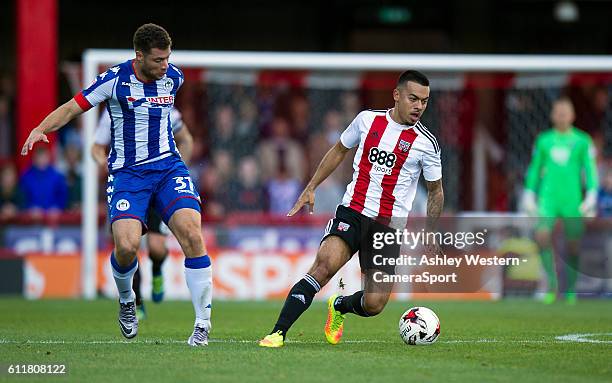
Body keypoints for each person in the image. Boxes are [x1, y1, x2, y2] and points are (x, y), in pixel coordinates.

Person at [21, 24, 212, 346]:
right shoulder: (114, 80)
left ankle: (202, 324)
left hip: (168, 168)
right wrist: (41, 128)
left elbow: (176, 125)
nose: (165, 65)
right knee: (125, 247)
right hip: (128, 175)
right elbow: (72, 106)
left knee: (193, 234)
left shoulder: (173, 78)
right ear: (138, 56)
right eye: (157, 60)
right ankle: (127, 301)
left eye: (167, 58)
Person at [259, 70, 444, 348]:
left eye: (425, 101)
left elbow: (435, 191)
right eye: (413, 98)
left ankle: (340, 306)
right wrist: (311, 187)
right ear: (397, 95)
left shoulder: (426, 144)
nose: (419, 106)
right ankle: (277, 333)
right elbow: (338, 151)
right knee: (323, 267)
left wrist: (431, 232)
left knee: (374, 303)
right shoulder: (367, 120)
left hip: (387, 227)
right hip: (352, 212)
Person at [92, 107, 194, 320]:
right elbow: (97, 147)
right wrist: (105, 164)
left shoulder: (163, 105)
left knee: (156, 248)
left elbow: (186, 139)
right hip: (127, 185)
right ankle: (136, 302)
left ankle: (157, 268)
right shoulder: (113, 108)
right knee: (128, 246)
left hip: (157, 184)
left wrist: (176, 171)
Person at [521, 97, 598, 305]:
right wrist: (529, 193)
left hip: (572, 199)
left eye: (566, 112)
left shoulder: (583, 141)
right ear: (552, 115)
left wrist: (591, 195)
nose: (562, 115)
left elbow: (590, 170)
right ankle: (552, 286)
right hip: (549, 198)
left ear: (572, 115)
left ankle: (570, 290)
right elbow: (535, 169)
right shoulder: (544, 141)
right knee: (542, 235)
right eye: (558, 112)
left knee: (573, 245)